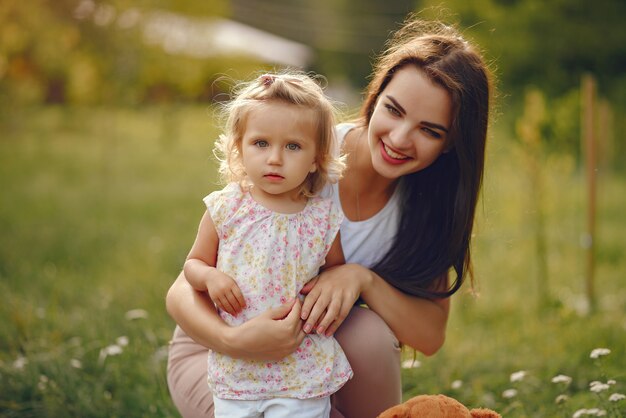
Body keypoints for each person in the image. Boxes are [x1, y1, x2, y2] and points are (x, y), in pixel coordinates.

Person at [166, 15, 493, 418]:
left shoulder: (427, 205)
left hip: (307, 365)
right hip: (220, 354)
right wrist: (236, 340)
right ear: (374, 98)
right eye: (393, 110)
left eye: (429, 130)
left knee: (369, 334)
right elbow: (181, 291)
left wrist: (362, 278)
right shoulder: (297, 152)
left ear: (450, 144)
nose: (400, 138)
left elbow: (429, 335)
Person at [182, 71, 352, 418]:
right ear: (239, 147)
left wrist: (331, 283)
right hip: (239, 364)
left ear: (317, 157)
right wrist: (211, 278)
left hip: (298, 366)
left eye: (293, 146)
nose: (275, 158)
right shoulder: (227, 208)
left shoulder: (321, 219)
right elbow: (193, 265)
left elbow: (334, 271)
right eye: (261, 143)